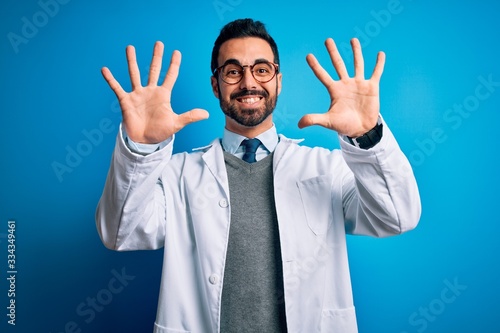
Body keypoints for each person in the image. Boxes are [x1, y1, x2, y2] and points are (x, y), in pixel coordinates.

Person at [96, 18, 421, 333]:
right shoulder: (179, 174)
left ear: (278, 80)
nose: (249, 83)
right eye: (233, 71)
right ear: (216, 84)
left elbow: (396, 217)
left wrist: (367, 136)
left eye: (262, 70)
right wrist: (140, 148)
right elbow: (120, 233)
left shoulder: (327, 169)